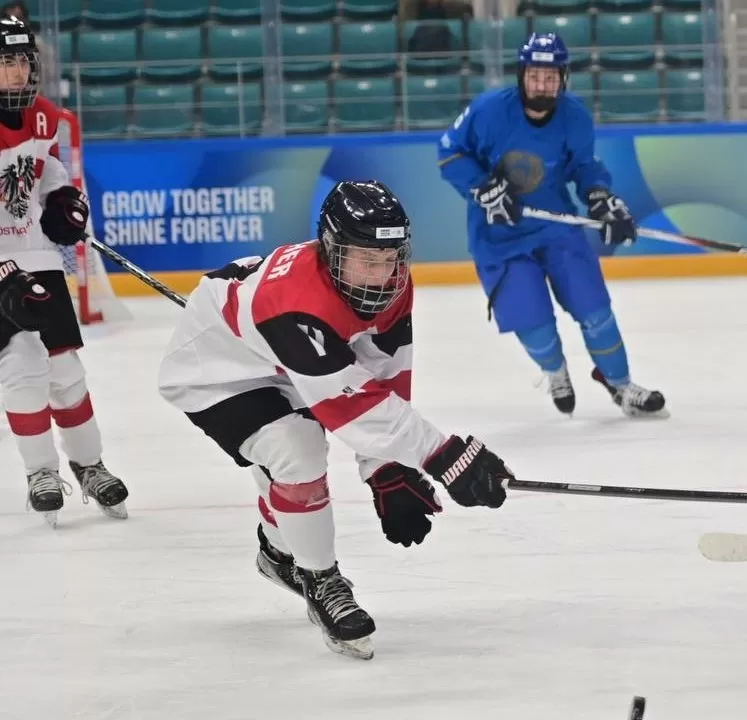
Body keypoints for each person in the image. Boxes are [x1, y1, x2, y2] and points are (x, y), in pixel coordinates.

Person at [157, 180, 516, 660]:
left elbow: (382, 379)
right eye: (368, 259)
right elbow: (353, 408)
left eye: (391, 258)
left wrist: (387, 470)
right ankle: (321, 579)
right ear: (332, 250)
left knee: (294, 465)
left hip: (282, 361)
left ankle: (277, 552)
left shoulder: (392, 286)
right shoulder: (290, 300)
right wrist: (446, 457)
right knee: (297, 448)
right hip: (219, 373)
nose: (382, 273)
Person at [435, 32, 666, 418]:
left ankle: (621, 385)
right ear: (522, 75)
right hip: (499, 237)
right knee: (534, 324)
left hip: (555, 227)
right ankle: (556, 371)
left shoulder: (575, 117)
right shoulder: (489, 110)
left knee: (595, 311)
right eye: (535, 75)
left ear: (563, 78)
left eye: (551, 76)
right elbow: (449, 152)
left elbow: (585, 167)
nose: (542, 84)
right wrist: (483, 187)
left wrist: (599, 197)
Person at [0, 16, 128, 528]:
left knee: (66, 371)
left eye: (22, 60)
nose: (17, 71)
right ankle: (40, 472)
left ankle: (90, 465)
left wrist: (62, 200)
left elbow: (47, 170)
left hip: (37, 253)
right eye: (6, 61)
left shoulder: (43, 116)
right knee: (22, 371)